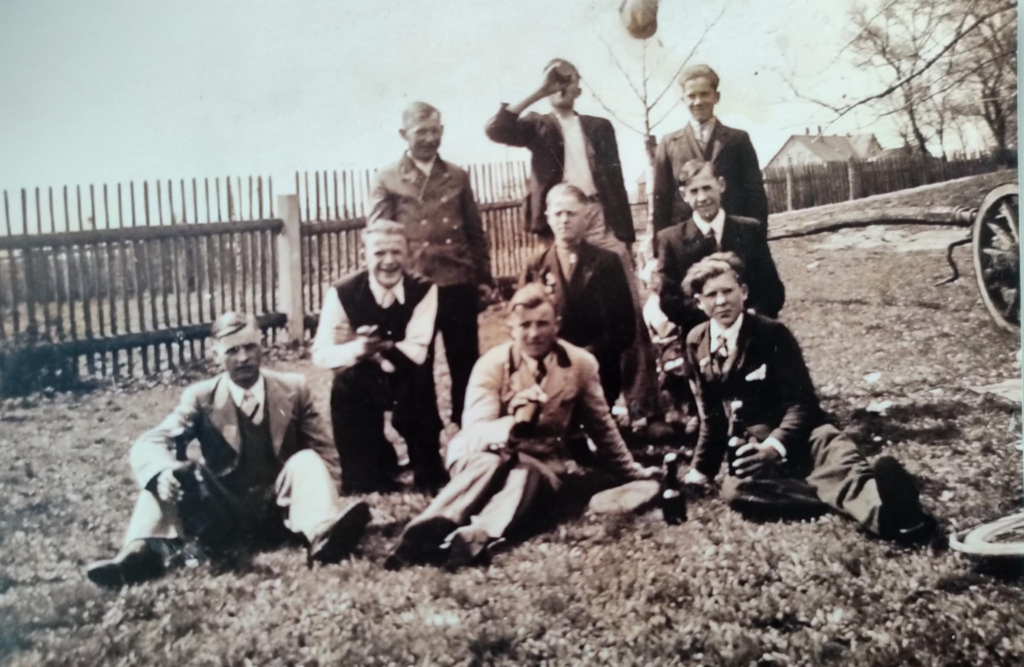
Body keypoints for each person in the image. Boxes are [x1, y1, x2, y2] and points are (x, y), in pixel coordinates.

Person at [86, 312, 371, 587]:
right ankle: (140, 554)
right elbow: (153, 441)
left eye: (250, 347)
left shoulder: (294, 388)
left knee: (307, 459)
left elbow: (326, 454)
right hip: (224, 514)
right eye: (232, 351)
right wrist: (163, 473)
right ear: (216, 355)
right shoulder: (201, 397)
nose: (243, 357)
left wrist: (322, 501)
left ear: (262, 345)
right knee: (167, 472)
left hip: (282, 510)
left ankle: (324, 533)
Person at [385, 284, 659, 568]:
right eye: (525, 325)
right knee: (490, 464)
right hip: (482, 455)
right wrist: (513, 423)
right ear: (511, 328)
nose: (534, 333)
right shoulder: (491, 365)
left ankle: (476, 535)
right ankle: (427, 529)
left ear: (557, 325)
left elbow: (602, 428)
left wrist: (632, 471)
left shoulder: (580, 364)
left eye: (542, 323)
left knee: (525, 473)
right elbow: (477, 431)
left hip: (539, 461)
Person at [680, 254, 938, 543]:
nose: (721, 301)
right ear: (699, 302)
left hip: (805, 435)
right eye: (711, 295)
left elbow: (801, 403)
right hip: (753, 451)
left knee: (841, 461)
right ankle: (844, 498)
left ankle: (895, 515)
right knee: (737, 491)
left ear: (744, 292)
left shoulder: (771, 333)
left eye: (728, 291)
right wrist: (700, 471)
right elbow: (711, 415)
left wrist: (774, 446)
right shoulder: (695, 341)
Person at [485, 58, 660, 426]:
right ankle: (556, 400)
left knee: (627, 309)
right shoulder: (537, 125)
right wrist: (540, 90)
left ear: (579, 87)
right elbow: (497, 129)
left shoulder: (598, 126)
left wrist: (624, 234)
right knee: (555, 308)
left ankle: (642, 405)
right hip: (558, 219)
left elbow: (615, 179)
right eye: (555, 80)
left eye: (568, 80)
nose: (561, 86)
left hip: (598, 215)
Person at [368, 101, 493, 428]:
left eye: (435, 130)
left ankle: (469, 425)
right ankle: (425, 434)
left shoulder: (457, 175)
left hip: (457, 281)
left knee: (465, 360)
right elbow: (379, 235)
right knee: (416, 362)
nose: (429, 138)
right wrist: (382, 285)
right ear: (404, 134)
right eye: (421, 131)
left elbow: (474, 231)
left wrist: (483, 278)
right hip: (414, 285)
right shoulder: (387, 178)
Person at [312, 220, 449, 494]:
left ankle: (426, 465)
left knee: (418, 389)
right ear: (364, 255)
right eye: (379, 253)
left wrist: (364, 343)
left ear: (408, 254)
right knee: (346, 385)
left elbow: (416, 350)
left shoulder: (424, 290)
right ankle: (369, 472)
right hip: (363, 376)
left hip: (409, 376)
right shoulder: (342, 292)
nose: (388, 261)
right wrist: (357, 349)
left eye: (396, 252)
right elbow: (322, 353)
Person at [521, 183, 635, 404]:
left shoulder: (606, 262)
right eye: (558, 214)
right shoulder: (536, 266)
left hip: (598, 367)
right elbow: (522, 321)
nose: (564, 220)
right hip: (549, 367)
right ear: (548, 217)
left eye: (571, 213)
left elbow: (624, 326)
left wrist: (588, 355)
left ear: (585, 217)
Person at [655, 159, 784, 335]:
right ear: (684, 195)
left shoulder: (749, 230)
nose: (702, 198)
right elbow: (669, 300)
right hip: (701, 335)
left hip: (751, 332)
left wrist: (750, 318)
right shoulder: (671, 239)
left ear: (721, 185)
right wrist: (714, 324)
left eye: (707, 188)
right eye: (694, 191)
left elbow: (772, 288)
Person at [650, 64, 768, 237]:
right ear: (683, 99)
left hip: (734, 235)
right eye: (691, 96)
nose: (698, 102)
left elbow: (755, 195)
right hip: (686, 240)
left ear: (716, 97)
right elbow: (661, 199)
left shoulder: (738, 139)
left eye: (704, 94)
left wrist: (757, 239)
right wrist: (661, 244)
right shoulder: (669, 144)